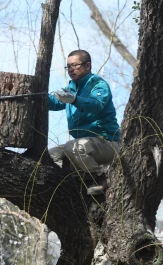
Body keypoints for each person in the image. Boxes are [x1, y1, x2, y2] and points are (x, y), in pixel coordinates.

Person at [49, 49, 121, 195]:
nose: (70, 69)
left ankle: (100, 179)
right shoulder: (71, 88)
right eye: (68, 66)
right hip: (85, 145)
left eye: (75, 65)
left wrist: (74, 99)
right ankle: (70, 188)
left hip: (107, 143)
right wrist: (31, 97)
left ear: (87, 66)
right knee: (50, 156)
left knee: (74, 147)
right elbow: (53, 102)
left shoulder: (98, 85)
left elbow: (95, 105)